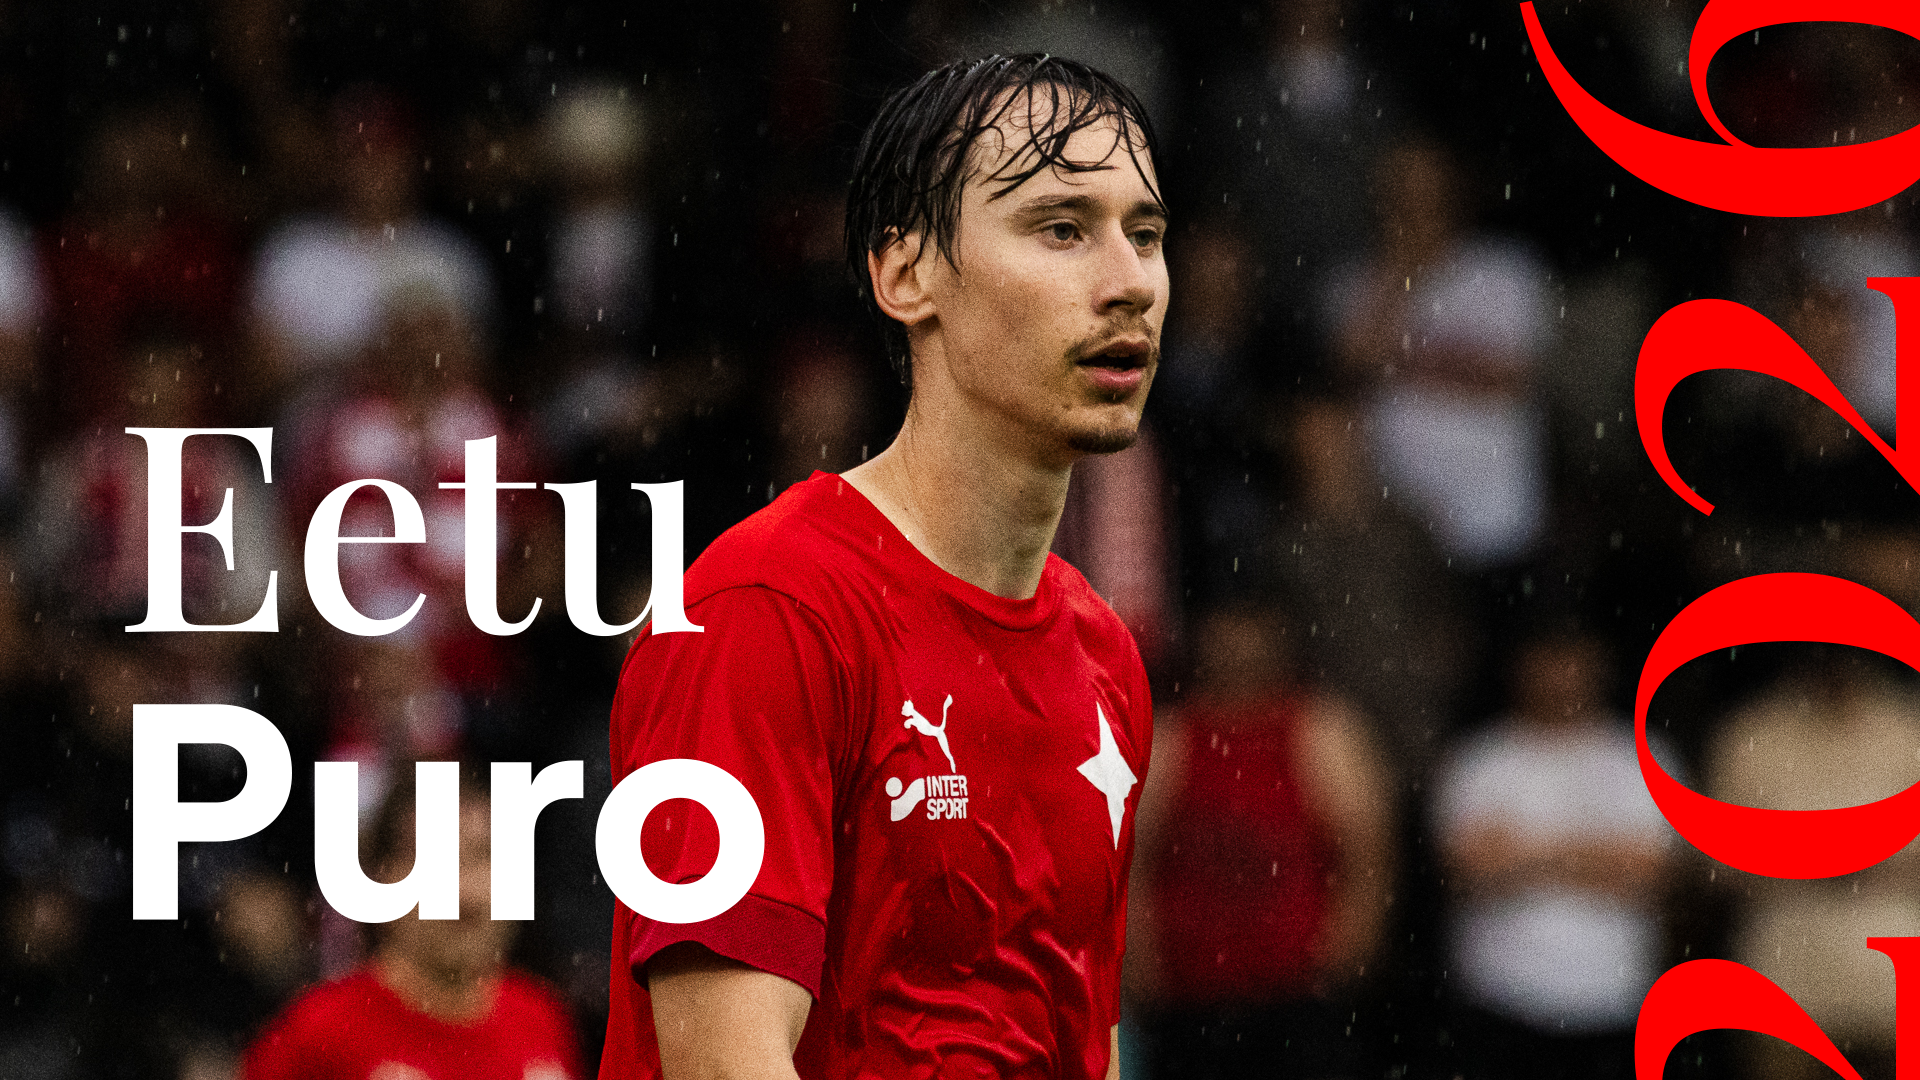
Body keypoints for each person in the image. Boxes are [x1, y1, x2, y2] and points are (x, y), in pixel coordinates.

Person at [600, 54, 1165, 1080]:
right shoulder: (759, 609)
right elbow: (723, 1065)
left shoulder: (1107, 659)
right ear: (905, 275)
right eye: (1061, 228)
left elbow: (1083, 1042)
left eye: (1146, 234)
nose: (1129, 282)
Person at [243, 776, 581, 1080]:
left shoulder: (544, 1019)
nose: (465, 892)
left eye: (483, 856)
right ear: (382, 880)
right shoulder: (316, 1034)